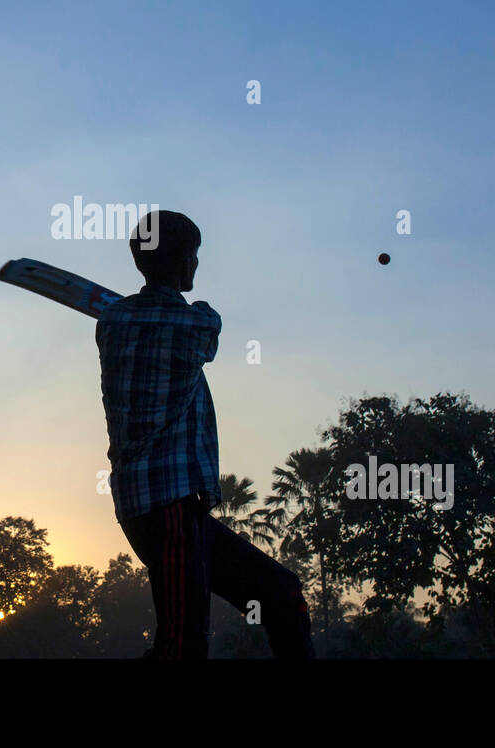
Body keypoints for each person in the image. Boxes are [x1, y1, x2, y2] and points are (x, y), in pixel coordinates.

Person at [96, 210, 315, 659]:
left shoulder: (112, 324)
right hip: (168, 506)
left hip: (160, 508)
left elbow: (149, 321)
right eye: (193, 256)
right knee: (182, 645)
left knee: (280, 594)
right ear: (182, 261)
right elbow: (206, 326)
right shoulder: (193, 324)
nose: (196, 265)